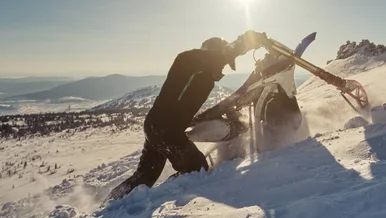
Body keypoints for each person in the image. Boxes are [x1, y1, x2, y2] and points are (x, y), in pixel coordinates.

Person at [106, 30, 268, 202]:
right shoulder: (188, 62)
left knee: (144, 177)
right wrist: (244, 42)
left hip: (159, 126)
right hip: (165, 129)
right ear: (211, 53)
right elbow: (217, 57)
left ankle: (108, 205)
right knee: (197, 169)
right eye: (223, 62)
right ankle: (161, 201)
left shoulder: (202, 75)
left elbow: (183, 104)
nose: (222, 67)